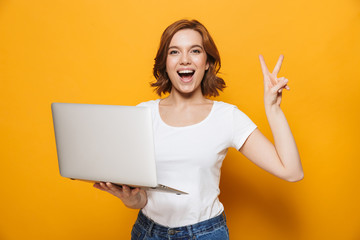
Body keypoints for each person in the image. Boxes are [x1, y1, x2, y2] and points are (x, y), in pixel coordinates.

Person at [93, 19, 304, 239]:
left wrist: (273, 109)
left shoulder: (227, 117)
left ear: (207, 62)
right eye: (174, 52)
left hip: (205, 233)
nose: (185, 59)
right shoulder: (141, 115)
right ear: (165, 62)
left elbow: (291, 172)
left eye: (195, 51)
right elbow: (143, 198)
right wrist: (132, 199)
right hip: (148, 232)